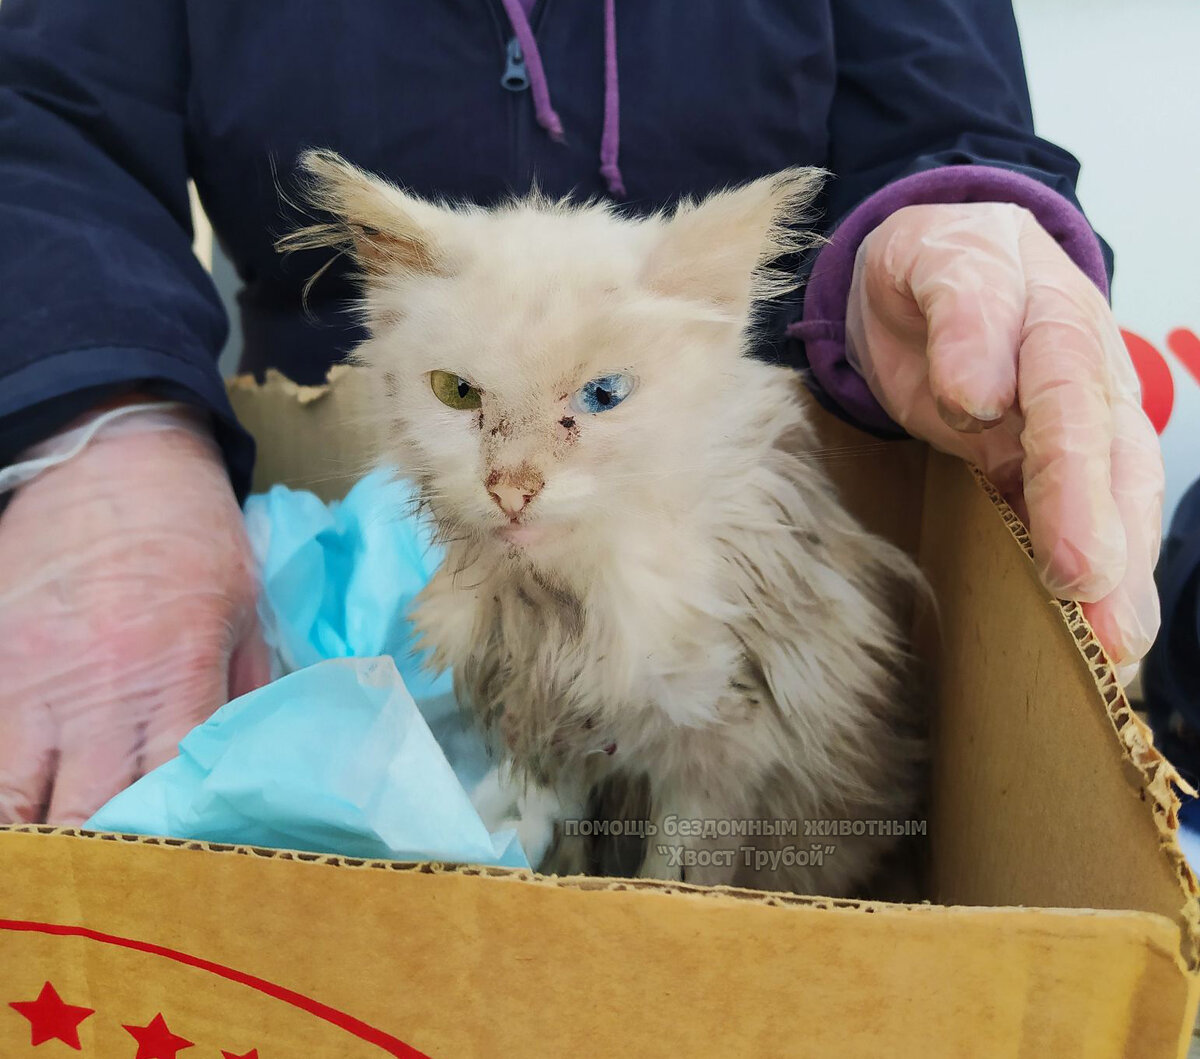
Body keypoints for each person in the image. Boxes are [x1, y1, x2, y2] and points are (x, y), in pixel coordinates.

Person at [0, 1, 1162, 825]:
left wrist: (945, 220)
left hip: (733, 444)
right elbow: (46, 116)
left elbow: (943, 124)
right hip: (328, 470)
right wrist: (101, 414)